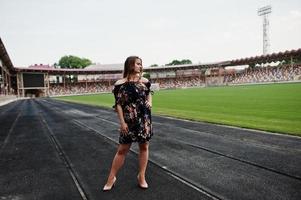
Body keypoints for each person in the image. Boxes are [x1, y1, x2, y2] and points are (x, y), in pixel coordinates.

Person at [103, 56, 153, 191]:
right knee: (122, 150)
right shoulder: (120, 83)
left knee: (144, 147)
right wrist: (122, 122)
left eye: (141, 64)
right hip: (128, 121)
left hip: (144, 119)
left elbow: (149, 94)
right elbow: (118, 105)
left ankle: (141, 176)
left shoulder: (145, 81)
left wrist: (150, 103)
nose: (140, 66)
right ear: (130, 65)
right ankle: (111, 177)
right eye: (138, 64)